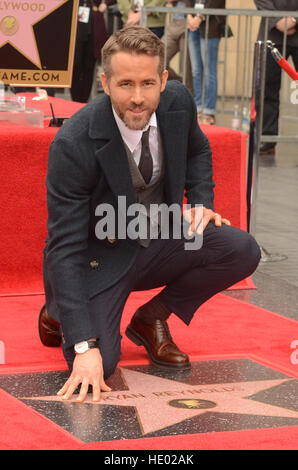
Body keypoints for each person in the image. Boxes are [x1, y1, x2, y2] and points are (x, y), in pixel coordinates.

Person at [39, 25, 261, 403]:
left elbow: (197, 150)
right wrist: (81, 347)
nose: (138, 98)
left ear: (163, 79)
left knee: (240, 249)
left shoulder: (178, 102)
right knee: (102, 363)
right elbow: (65, 248)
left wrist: (202, 201)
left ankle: (149, 318)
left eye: (147, 84)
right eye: (125, 84)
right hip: (98, 256)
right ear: (105, 83)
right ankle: (57, 309)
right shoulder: (73, 143)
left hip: (158, 237)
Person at [254, 0, 298, 154]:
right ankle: (267, 138)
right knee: (266, 89)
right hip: (271, 34)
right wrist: (276, 20)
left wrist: (293, 19)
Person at [187, 0, 228, 125]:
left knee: (209, 71)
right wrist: (189, 15)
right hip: (193, 27)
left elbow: (215, 3)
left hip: (211, 26)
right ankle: (198, 108)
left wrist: (199, 18)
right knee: (196, 70)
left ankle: (209, 111)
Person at [71, 0, 114, 103]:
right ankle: (75, 101)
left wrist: (106, 3)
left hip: (94, 18)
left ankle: (83, 102)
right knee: (74, 64)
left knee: (89, 65)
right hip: (74, 17)